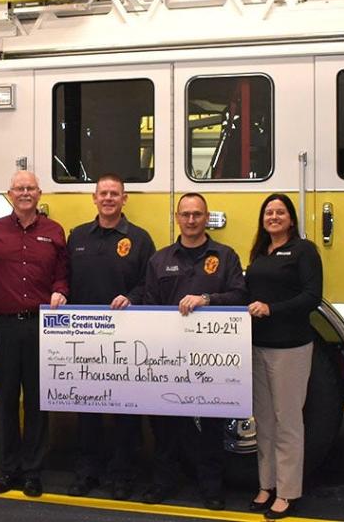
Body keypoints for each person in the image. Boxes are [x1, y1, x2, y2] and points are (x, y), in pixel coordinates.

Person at [142, 192, 247, 510]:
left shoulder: (226, 256)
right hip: (169, 358)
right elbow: (149, 306)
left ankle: (212, 488)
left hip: (211, 358)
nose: (191, 220)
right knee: (165, 425)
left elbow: (241, 295)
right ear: (177, 218)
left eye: (197, 214)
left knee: (212, 426)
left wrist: (207, 299)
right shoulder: (159, 260)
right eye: (185, 214)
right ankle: (163, 482)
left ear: (206, 217)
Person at [0, 170, 68, 498]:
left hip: (39, 326)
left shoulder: (54, 231)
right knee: (4, 402)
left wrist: (61, 290)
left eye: (30, 188)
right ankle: (7, 469)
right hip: (2, 326)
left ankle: (32, 471)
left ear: (40, 193)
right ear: (9, 193)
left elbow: (63, 273)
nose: (25, 193)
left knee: (37, 401)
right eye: (19, 188)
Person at [66, 174, 156, 500]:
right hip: (85, 338)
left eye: (114, 194)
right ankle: (87, 472)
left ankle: (122, 475)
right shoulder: (77, 236)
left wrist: (132, 297)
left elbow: (150, 283)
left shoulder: (141, 239)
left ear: (124, 199)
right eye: (103, 193)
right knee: (87, 409)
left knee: (125, 411)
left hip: (125, 338)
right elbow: (64, 279)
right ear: (94, 198)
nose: (108, 198)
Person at [245, 193, 322, 520]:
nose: (274, 217)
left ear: (291, 219)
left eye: (280, 212)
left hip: (291, 348)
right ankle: (267, 485)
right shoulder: (260, 253)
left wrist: (271, 309)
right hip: (258, 346)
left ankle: (288, 491)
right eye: (268, 212)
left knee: (288, 421)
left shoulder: (304, 251)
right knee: (264, 421)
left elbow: (312, 297)